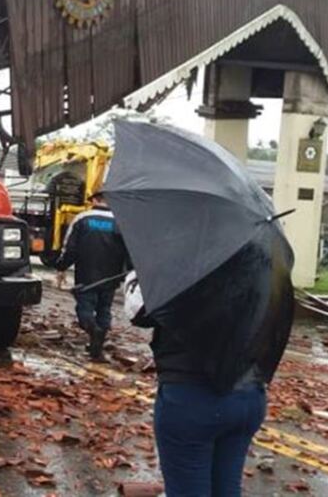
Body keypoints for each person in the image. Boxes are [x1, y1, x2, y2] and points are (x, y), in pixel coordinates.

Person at [131, 242, 271, 497]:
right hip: (249, 393)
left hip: (192, 398)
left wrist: (141, 266)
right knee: (226, 489)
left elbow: (138, 309)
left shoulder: (182, 252)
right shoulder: (258, 254)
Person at [54, 190, 131, 361]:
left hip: (86, 276)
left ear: (95, 200)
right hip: (111, 277)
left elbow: (69, 248)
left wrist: (61, 266)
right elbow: (130, 251)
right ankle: (97, 349)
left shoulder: (82, 219)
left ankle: (93, 332)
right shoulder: (121, 222)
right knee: (104, 310)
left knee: (85, 310)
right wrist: (126, 274)